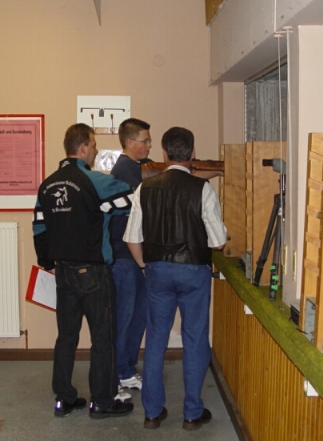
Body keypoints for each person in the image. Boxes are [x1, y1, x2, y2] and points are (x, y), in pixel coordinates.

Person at [123, 127, 227, 430]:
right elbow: (218, 241)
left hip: (157, 271)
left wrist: (144, 265)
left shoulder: (145, 188)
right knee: (195, 339)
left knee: (156, 338)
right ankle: (192, 413)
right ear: (192, 153)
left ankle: (152, 413)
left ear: (165, 153)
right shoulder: (202, 188)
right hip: (194, 271)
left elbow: (132, 238)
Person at [32, 123, 135, 420]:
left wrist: (47, 262)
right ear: (82, 148)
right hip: (94, 273)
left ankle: (64, 398)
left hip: (63, 272)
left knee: (66, 337)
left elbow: (39, 226)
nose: (96, 150)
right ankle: (102, 401)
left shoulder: (47, 185)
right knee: (103, 338)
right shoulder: (95, 181)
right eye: (93, 145)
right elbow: (131, 200)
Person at [109, 118, 152, 394]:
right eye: (144, 141)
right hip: (124, 257)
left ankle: (126, 368)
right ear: (129, 142)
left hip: (133, 256)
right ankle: (120, 372)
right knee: (125, 318)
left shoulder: (136, 168)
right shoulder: (125, 171)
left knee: (138, 315)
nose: (149, 145)